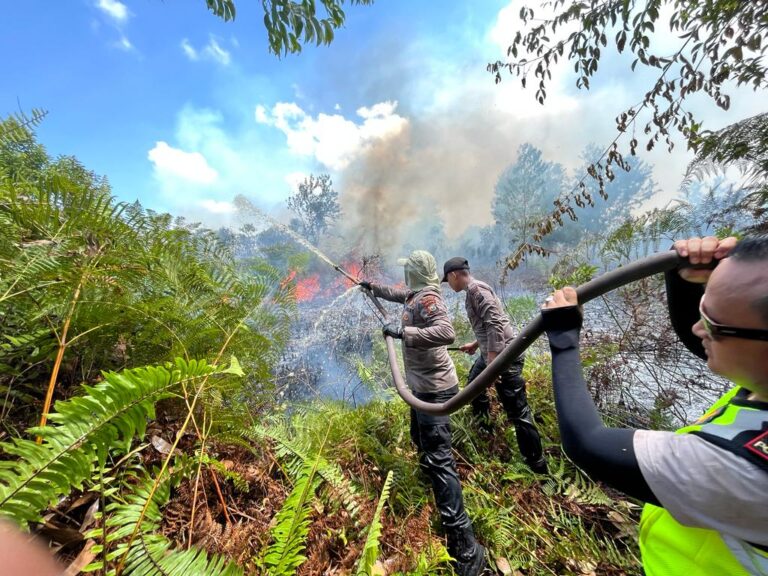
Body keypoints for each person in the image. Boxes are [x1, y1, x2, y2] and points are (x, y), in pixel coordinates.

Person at [541, 235, 768, 576]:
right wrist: (685, 282)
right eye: (702, 308)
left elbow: (587, 442)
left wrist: (562, 341)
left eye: (713, 324)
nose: (697, 327)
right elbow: (717, 345)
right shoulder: (760, 383)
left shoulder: (748, 471)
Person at [358, 250, 486, 576]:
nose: (404, 280)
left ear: (416, 273)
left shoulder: (429, 300)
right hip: (421, 389)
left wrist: (404, 333)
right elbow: (398, 294)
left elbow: (447, 332)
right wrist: (373, 287)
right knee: (420, 440)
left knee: (441, 461)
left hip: (435, 391)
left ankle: (467, 550)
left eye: (407, 272)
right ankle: (428, 488)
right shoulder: (416, 295)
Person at [442, 257, 547, 474]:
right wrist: (475, 344)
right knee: (474, 389)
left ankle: (538, 467)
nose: (448, 284)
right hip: (492, 354)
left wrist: (492, 362)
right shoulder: (474, 290)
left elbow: (495, 322)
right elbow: (487, 323)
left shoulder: (476, 291)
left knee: (518, 411)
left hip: (504, 357)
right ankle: (487, 432)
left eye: (448, 280)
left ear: (454, 275)